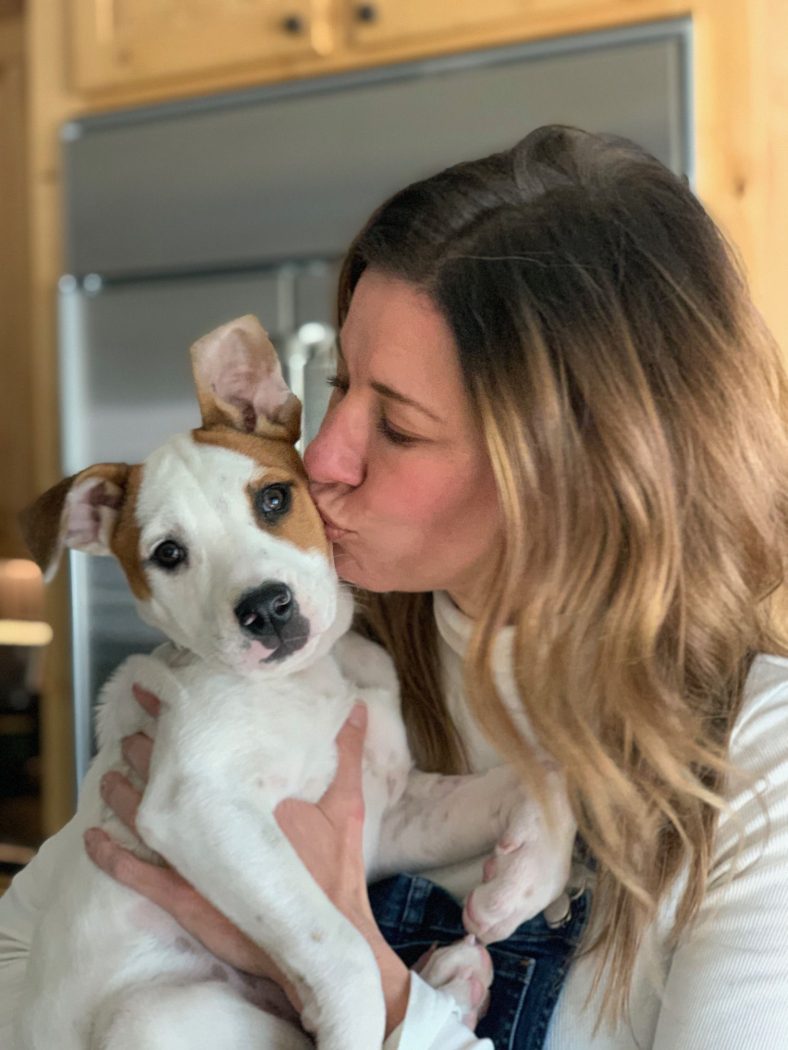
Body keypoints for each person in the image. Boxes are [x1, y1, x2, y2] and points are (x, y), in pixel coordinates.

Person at [2, 124, 788, 1048]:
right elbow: (25, 947)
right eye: (340, 385)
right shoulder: (329, 657)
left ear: (574, 468)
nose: (320, 457)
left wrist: (366, 988)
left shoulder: (758, 769)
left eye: (401, 429)